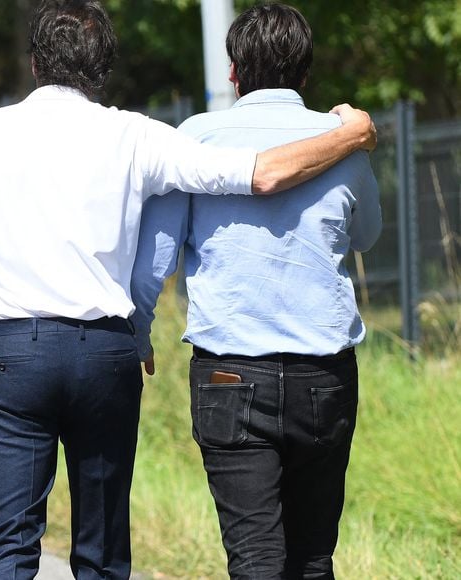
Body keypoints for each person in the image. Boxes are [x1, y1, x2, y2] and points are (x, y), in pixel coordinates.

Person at [0, 1, 376, 579]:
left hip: (13, 359)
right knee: (102, 554)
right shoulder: (138, 137)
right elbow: (261, 174)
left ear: (33, 64)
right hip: (107, 357)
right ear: (104, 70)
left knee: (8, 546)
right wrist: (350, 134)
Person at [131, 3, 382, 579]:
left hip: (228, 373)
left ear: (234, 72)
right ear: (305, 73)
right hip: (325, 375)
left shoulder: (196, 136)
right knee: (313, 556)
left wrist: (137, 331)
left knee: (254, 559)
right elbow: (366, 235)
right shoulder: (342, 138)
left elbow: (158, 254)